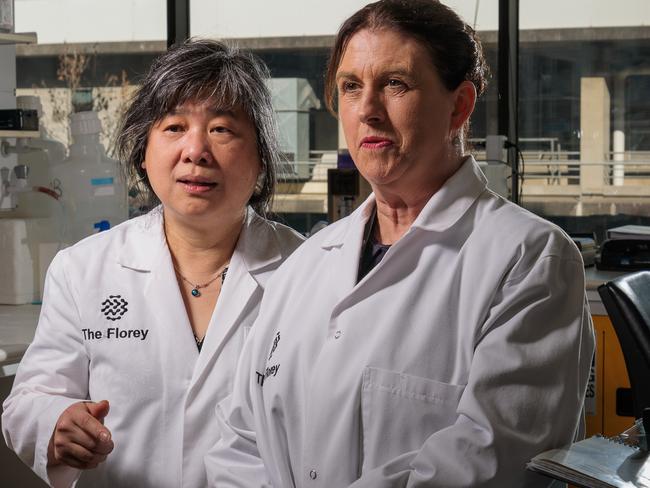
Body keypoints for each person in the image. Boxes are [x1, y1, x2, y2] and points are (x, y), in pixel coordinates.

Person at [204, 1, 595, 486]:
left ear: (460, 105)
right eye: (350, 87)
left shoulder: (529, 259)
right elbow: (239, 437)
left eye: (395, 84)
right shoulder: (307, 262)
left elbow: (486, 463)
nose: (367, 110)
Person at [2, 39, 304, 488]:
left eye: (222, 129)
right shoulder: (83, 270)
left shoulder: (306, 271)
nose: (195, 150)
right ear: (143, 151)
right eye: (174, 127)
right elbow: (29, 399)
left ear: (260, 157)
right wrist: (56, 423)